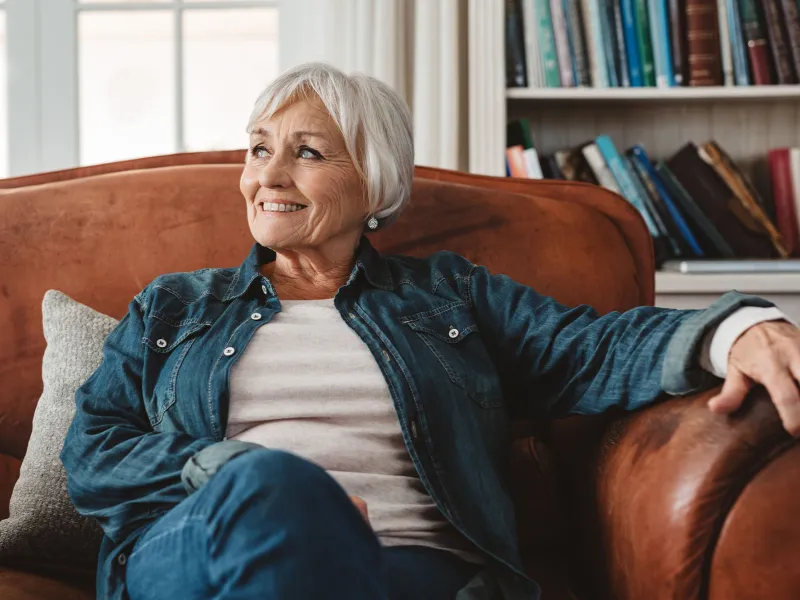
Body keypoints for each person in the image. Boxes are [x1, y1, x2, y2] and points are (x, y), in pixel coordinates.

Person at [61, 62, 800, 600]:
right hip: (201, 552)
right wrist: (227, 471)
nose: (268, 176)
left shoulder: (449, 298)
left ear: (375, 183)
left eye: (307, 153)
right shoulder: (174, 308)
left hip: (409, 565)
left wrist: (734, 329)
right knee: (272, 486)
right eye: (259, 148)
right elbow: (93, 453)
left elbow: (592, 347)